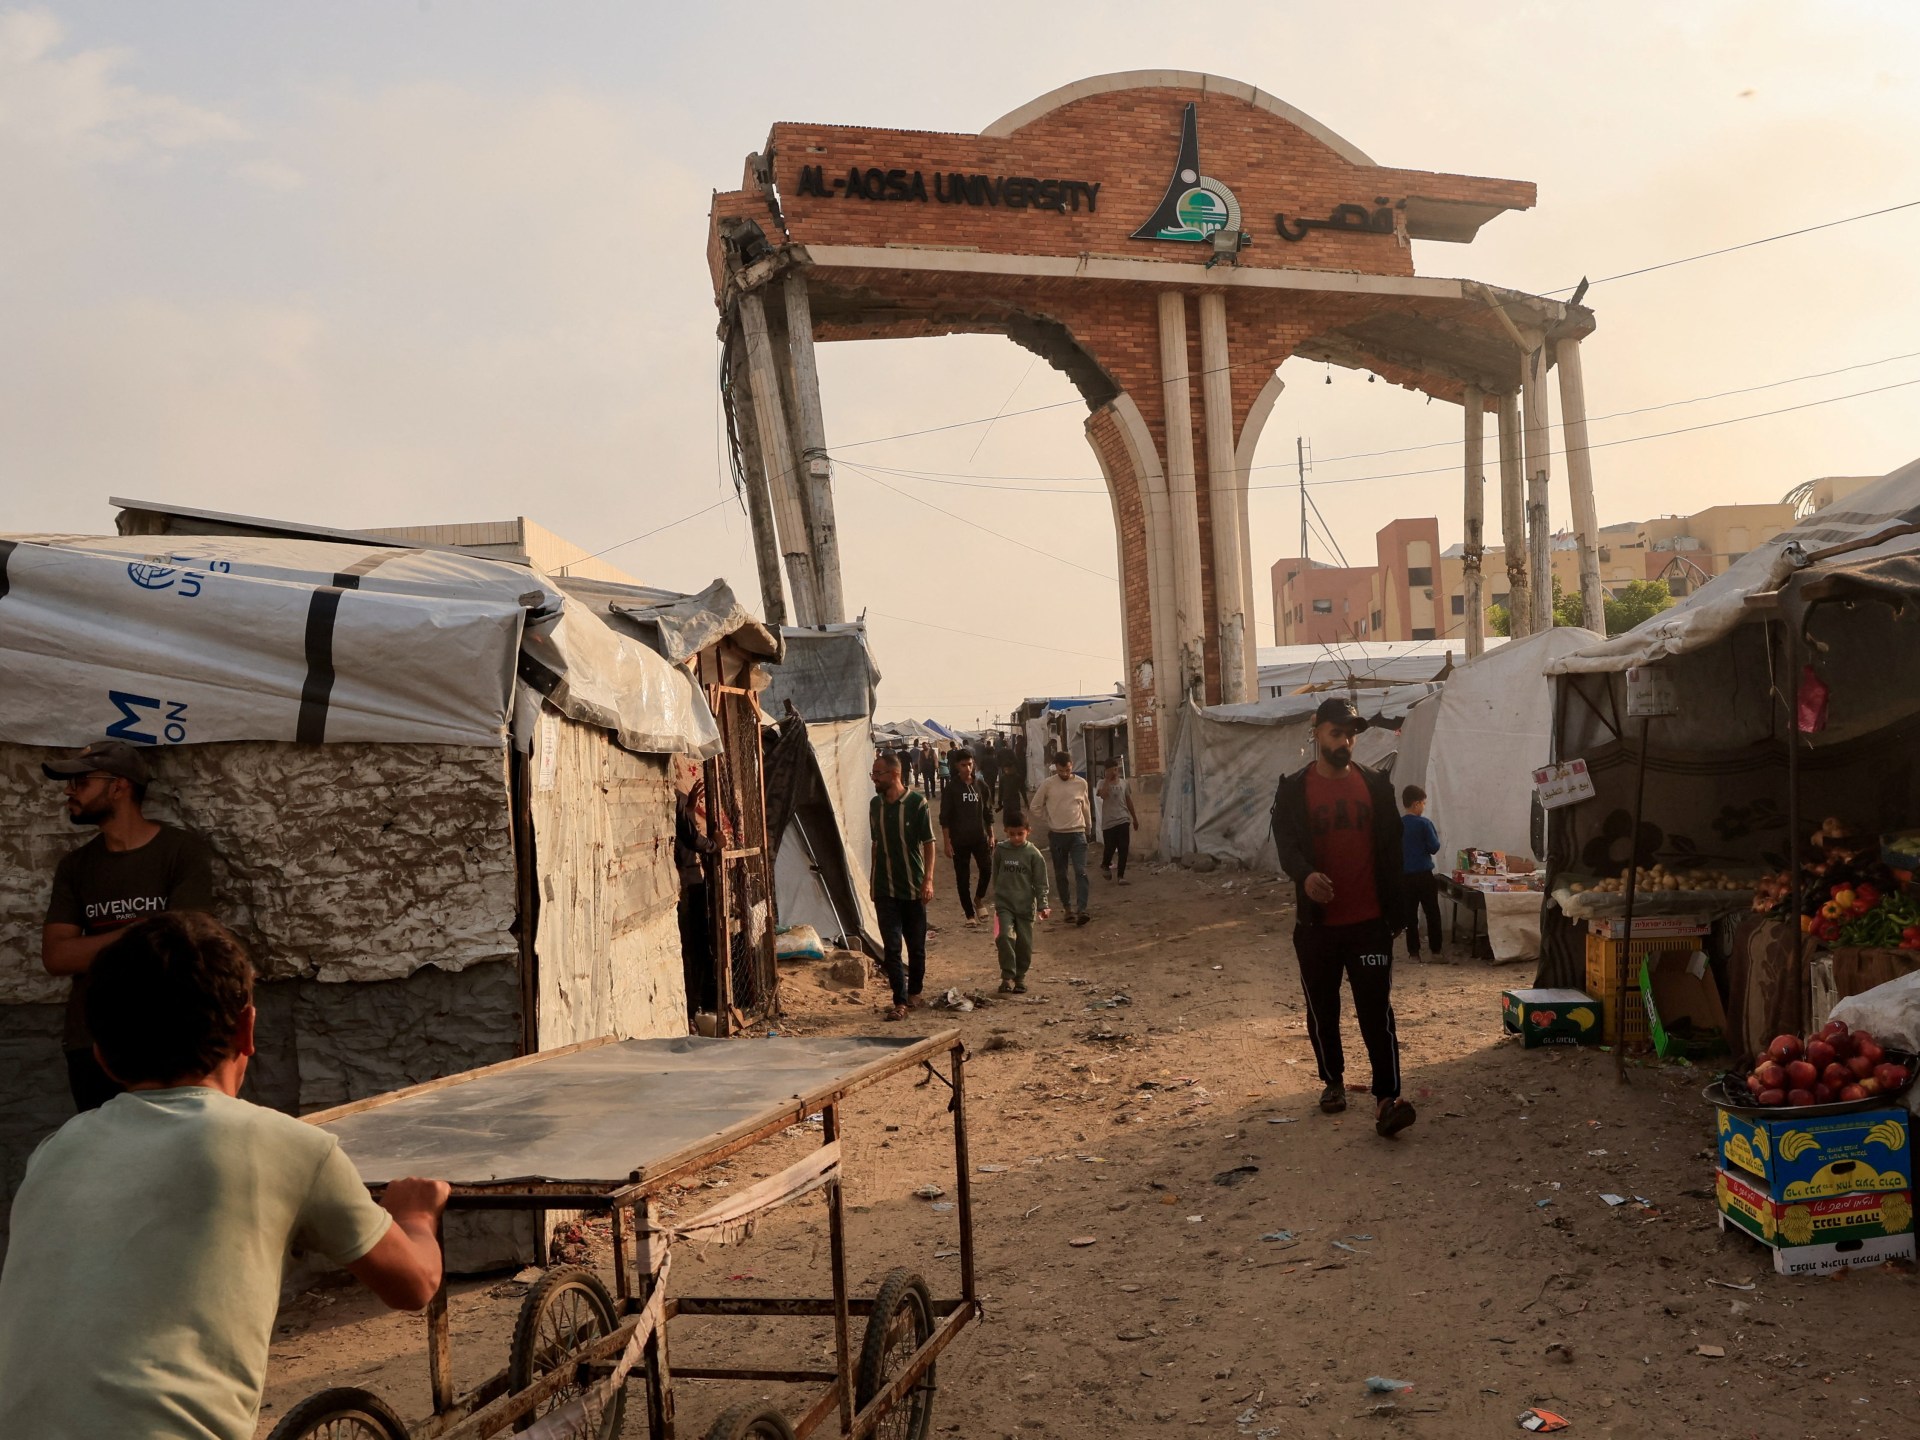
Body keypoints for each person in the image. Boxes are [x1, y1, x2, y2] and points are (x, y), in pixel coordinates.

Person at [0, 911, 449, 1440]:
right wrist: (415, 1217)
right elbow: (414, 1285)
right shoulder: (290, 1146)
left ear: (101, 1056)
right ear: (247, 1028)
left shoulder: (54, 1151)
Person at [40, 739, 216, 1112]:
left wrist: (97, 945)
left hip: (169, 1033)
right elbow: (56, 956)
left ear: (119, 787)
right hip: (93, 1040)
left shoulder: (181, 852)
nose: (69, 791)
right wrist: (151, 929)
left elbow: (187, 941)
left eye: (81, 782)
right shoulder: (76, 866)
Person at [1271, 697, 1416, 1138]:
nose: (1345, 742)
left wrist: (1398, 912)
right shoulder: (1294, 789)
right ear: (1317, 731)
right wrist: (1305, 875)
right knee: (1322, 1008)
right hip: (1317, 926)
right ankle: (1332, 1080)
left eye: (1351, 734)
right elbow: (1286, 843)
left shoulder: (1376, 785)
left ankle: (1387, 1098)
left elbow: (1393, 850)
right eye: (1337, 733)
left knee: (1377, 1012)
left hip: (1369, 923)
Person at [870, 751, 936, 1020]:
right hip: (884, 889)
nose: (874, 779)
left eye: (878, 773)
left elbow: (929, 843)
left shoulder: (917, 804)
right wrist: (872, 880)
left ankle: (914, 992)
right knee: (892, 948)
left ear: (895, 774)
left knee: (916, 946)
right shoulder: (875, 805)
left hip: (913, 888)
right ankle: (899, 1001)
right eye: (873, 774)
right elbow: (876, 844)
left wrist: (928, 880)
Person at [675, 760, 720, 1017]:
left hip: (689, 880)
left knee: (696, 945)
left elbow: (686, 830)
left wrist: (690, 809)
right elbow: (692, 838)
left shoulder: (679, 799)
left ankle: (699, 1005)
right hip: (686, 882)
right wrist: (715, 845)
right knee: (694, 946)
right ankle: (695, 1008)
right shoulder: (673, 798)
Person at [990, 813, 1050, 993]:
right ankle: (1006, 977)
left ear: (1028, 831)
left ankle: (1020, 978)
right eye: (1012, 834)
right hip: (1004, 904)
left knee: (1024, 944)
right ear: (1006, 831)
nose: (1016, 838)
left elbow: (1040, 882)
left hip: (1025, 906)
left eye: (1020, 834)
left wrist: (1043, 905)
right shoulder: (1001, 850)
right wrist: (998, 896)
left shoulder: (1033, 854)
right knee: (1004, 937)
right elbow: (996, 875)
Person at [1033, 751, 1093, 926]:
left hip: (1078, 833)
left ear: (1071, 766)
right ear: (1056, 768)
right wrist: (1049, 819)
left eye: (1067, 770)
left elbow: (1086, 807)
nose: (1065, 774)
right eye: (1061, 771)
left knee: (1081, 871)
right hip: (1057, 835)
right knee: (1061, 874)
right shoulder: (1048, 784)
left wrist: (1088, 828)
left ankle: (1082, 909)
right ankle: (1067, 909)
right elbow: (1035, 806)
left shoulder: (1081, 784)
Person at [939, 748, 996, 927]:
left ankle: (978, 899)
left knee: (986, 869)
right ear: (957, 766)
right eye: (963, 765)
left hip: (979, 837)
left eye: (970, 764)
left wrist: (991, 835)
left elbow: (987, 812)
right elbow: (945, 817)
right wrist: (947, 842)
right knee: (962, 878)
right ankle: (969, 914)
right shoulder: (951, 788)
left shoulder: (981, 786)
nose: (967, 768)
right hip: (959, 840)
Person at [1400, 784, 1443, 961]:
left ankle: (1413, 953)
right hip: (1424, 875)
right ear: (1416, 803)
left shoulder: (1398, 824)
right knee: (1432, 913)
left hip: (1405, 877)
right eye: (1423, 803)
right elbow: (1434, 847)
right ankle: (1436, 952)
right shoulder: (1424, 824)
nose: (1424, 807)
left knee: (1410, 915)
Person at [1097, 759, 1138, 884]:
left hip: (1123, 819)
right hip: (1109, 822)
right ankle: (1105, 864)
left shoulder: (1124, 783)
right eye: (1112, 770)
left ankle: (1121, 876)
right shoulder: (1101, 783)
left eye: (1116, 769)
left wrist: (1134, 818)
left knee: (1123, 848)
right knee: (1109, 847)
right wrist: (1107, 780)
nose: (1115, 772)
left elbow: (1128, 801)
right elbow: (1103, 795)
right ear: (1106, 771)